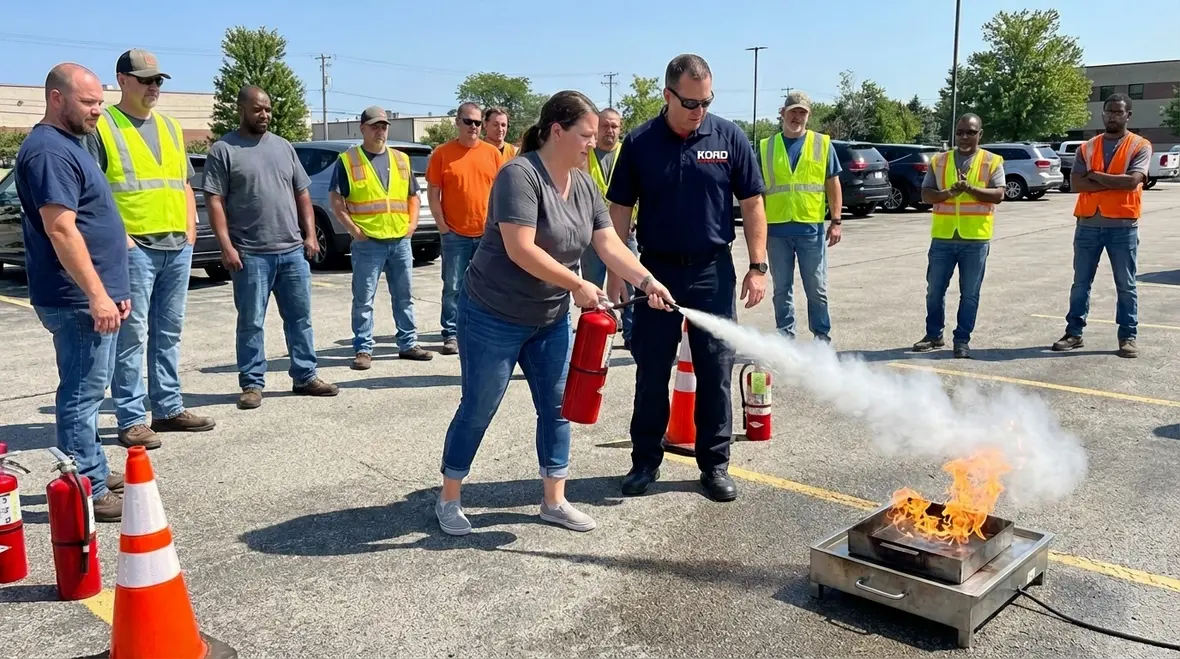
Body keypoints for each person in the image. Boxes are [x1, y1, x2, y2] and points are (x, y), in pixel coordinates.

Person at [435, 90, 676, 536]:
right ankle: (449, 496)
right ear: (557, 131)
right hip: (492, 314)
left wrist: (647, 282)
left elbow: (608, 243)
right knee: (480, 406)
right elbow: (520, 248)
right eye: (585, 135)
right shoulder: (519, 175)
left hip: (549, 318)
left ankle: (554, 500)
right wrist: (578, 285)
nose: (593, 143)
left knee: (558, 407)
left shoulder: (584, 185)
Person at [605, 54, 769, 503]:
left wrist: (758, 267)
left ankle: (714, 465)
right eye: (691, 102)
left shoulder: (728, 136)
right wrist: (618, 272)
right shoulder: (640, 142)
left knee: (716, 369)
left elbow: (752, 202)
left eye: (706, 102)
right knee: (652, 370)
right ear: (668, 95)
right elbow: (619, 210)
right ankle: (644, 461)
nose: (699, 111)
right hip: (654, 271)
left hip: (712, 270)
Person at [82, 48, 215, 450]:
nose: (154, 86)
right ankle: (132, 418)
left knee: (169, 332)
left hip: (177, 245)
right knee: (132, 336)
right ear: (122, 80)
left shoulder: (171, 127)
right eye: (145, 80)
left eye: (158, 80)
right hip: (134, 247)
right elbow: (93, 192)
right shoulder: (104, 127)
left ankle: (169, 408)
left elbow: (184, 183)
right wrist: (120, 238)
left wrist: (190, 228)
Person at [16, 63, 130, 521]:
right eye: (88, 102)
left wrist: (114, 288)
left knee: (90, 390)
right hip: (75, 298)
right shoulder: (48, 151)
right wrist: (98, 295)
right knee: (82, 394)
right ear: (56, 98)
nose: (97, 110)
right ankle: (87, 487)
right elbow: (61, 229)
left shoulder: (71, 145)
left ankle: (92, 466)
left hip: (91, 293)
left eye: (100, 101)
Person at [203, 86, 339, 409]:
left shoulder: (283, 146)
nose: (264, 115)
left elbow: (302, 192)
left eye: (268, 109)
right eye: (257, 109)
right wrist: (226, 246)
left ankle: (305, 375)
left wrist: (310, 235)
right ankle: (252, 383)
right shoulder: (224, 150)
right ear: (241, 110)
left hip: (292, 251)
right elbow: (214, 200)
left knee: (300, 318)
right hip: (250, 254)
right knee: (251, 322)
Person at [329, 105, 432, 369]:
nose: (380, 131)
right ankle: (363, 349)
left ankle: (408, 343)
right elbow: (336, 200)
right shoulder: (348, 160)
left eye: (383, 126)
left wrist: (412, 225)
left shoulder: (401, 159)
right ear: (362, 128)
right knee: (364, 300)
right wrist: (355, 231)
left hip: (400, 241)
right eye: (374, 126)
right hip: (368, 243)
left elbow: (413, 196)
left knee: (404, 296)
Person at [1051, 93, 1151, 359]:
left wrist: (1094, 176)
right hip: (1088, 225)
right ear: (1102, 113)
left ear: (1128, 115)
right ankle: (1074, 333)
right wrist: (1114, 181)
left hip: (1123, 226)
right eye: (1109, 111)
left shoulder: (1140, 145)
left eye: (1118, 112)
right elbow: (1076, 184)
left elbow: (1132, 182)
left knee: (1126, 284)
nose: (1112, 116)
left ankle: (1127, 336)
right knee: (1080, 283)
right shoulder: (1087, 147)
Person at [913, 113, 1005, 359]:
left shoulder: (992, 161)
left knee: (970, 294)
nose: (964, 137)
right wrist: (948, 193)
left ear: (980, 134)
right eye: (960, 132)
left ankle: (962, 340)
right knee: (934, 291)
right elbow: (926, 195)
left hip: (975, 240)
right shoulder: (939, 161)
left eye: (970, 132)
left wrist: (970, 189)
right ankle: (934, 335)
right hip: (943, 238)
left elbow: (998, 195)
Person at [758, 90, 843, 342]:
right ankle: (786, 337)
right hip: (776, 230)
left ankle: (821, 338)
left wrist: (836, 221)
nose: (797, 117)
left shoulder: (822, 144)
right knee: (781, 289)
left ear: (809, 115)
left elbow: (833, 184)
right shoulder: (766, 147)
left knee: (816, 288)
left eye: (802, 112)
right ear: (782, 113)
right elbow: (758, 192)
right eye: (793, 111)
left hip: (811, 230)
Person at [426, 103, 505, 356]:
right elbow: (433, 193)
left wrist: (497, 226)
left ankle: (484, 330)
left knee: (489, 286)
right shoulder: (442, 153)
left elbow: (501, 192)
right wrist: (442, 226)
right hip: (455, 235)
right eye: (468, 121)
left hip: (487, 235)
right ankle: (451, 333)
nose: (474, 127)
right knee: (453, 286)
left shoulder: (492, 154)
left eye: (478, 122)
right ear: (457, 122)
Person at [579, 108, 640, 349]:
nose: (610, 130)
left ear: (620, 128)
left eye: (614, 126)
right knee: (592, 289)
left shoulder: (629, 152)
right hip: (591, 234)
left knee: (630, 285)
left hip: (625, 233)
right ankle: (593, 335)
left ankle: (631, 334)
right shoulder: (586, 153)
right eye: (605, 125)